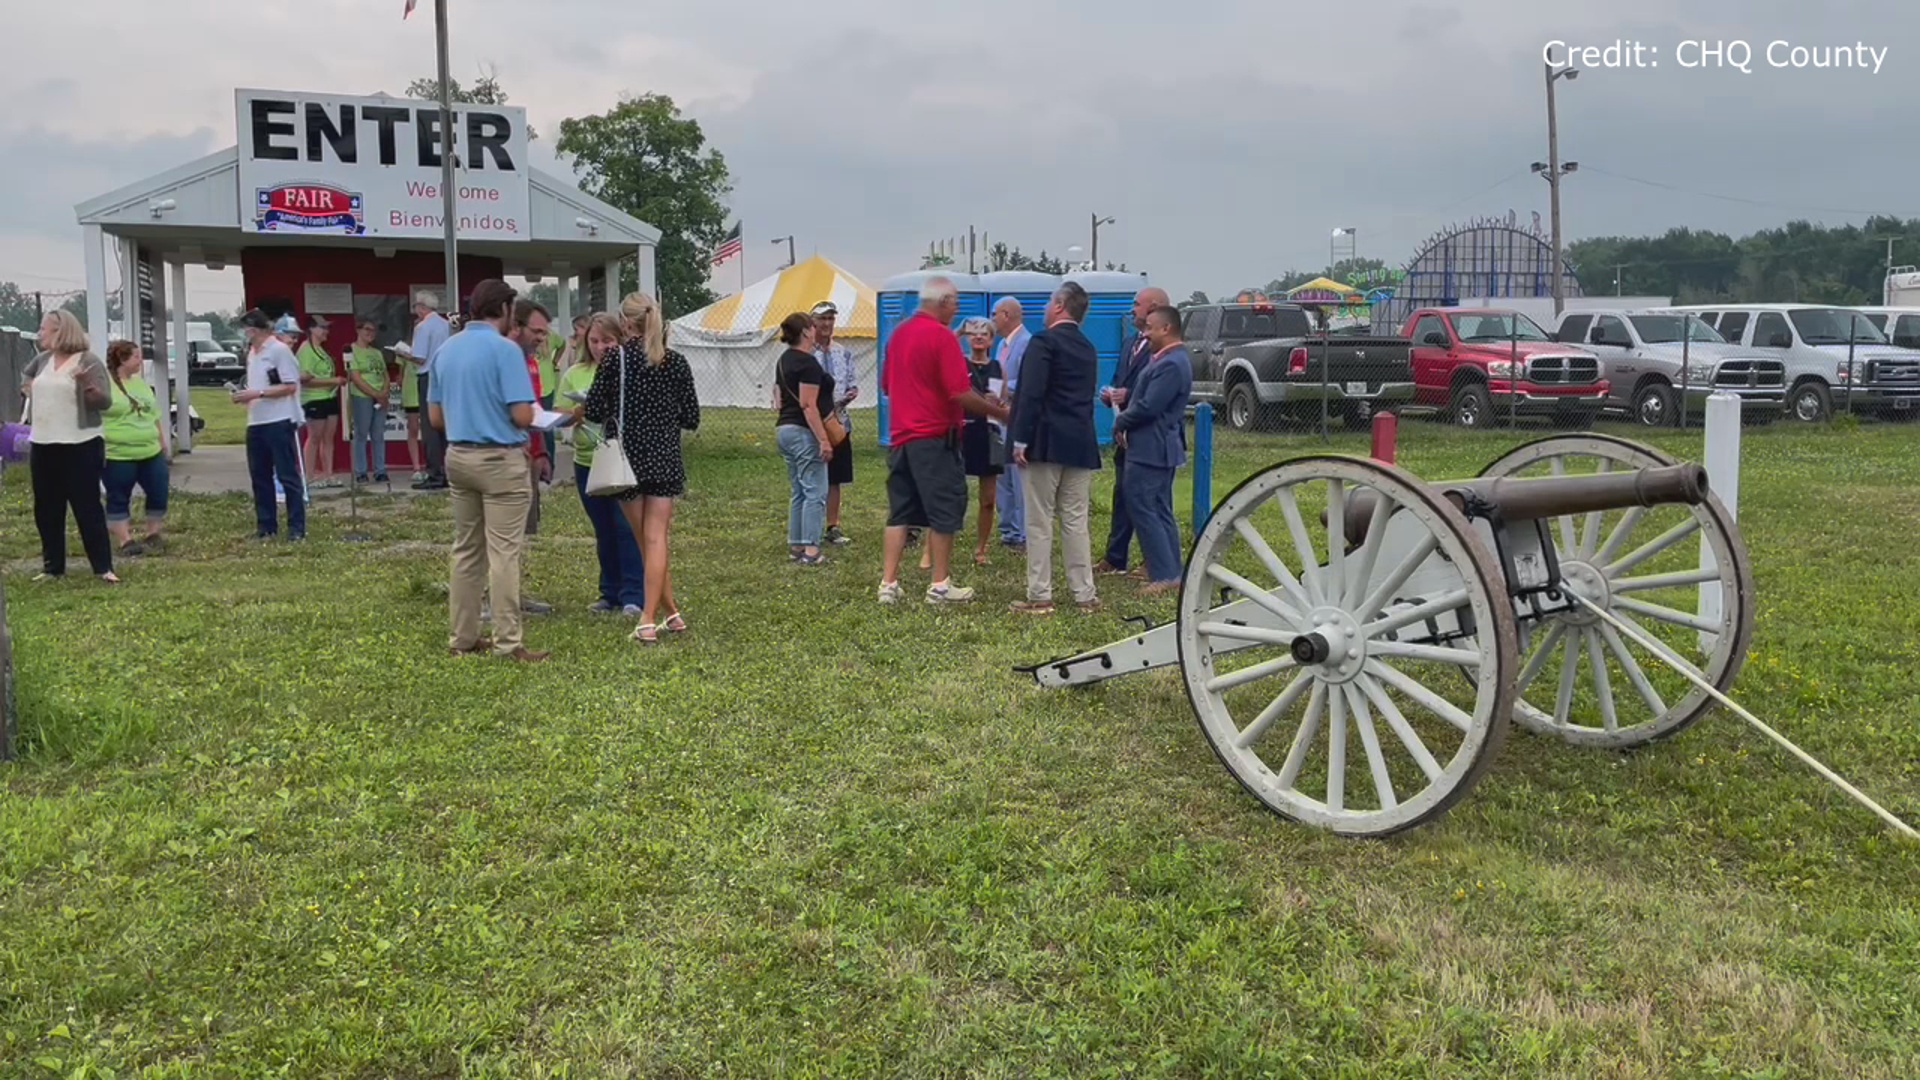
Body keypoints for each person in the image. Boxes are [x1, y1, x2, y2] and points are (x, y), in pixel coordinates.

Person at [429, 279, 547, 663]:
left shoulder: (446, 349)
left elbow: (435, 417)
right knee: (504, 554)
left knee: (466, 551)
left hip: (459, 456)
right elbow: (521, 414)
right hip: (501, 460)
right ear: (505, 309)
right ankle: (508, 642)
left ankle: (462, 638)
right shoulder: (505, 351)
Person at [875, 276, 1009, 605]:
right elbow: (959, 392)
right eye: (956, 305)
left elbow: (887, 386)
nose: (956, 312)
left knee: (900, 512)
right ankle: (939, 586)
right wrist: (1000, 413)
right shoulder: (941, 337)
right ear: (945, 302)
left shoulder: (899, 334)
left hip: (901, 438)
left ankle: (888, 584)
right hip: (935, 438)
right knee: (943, 511)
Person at [582, 290, 701, 644]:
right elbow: (691, 417)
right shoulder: (675, 362)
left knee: (644, 539)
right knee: (656, 539)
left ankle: (648, 619)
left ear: (624, 322)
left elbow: (592, 410)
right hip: (665, 456)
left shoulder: (615, 359)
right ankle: (671, 613)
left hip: (627, 460)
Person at [1007, 282, 1103, 615]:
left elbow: (1031, 393)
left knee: (1039, 520)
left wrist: (1020, 438)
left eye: (1050, 301)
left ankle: (1040, 594)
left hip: (1045, 440)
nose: (1047, 307)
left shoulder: (1043, 342)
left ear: (1060, 305)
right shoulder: (1088, 347)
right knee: (1076, 520)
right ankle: (1084, 593)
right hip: (1080, 441)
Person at [19, 310, 116, 582]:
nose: (40, 334)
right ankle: (52, 567)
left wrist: (87, 385)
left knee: (87, 506)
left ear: (62, 331)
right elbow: (26, 379)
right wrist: (28, 388)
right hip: (44, 443)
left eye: (44, 329)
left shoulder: (88, 361)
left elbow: (104, 402)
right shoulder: (42, 360)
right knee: (47, 508)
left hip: (80, 443)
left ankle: (103, 567)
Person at [562, 313, 646, 616]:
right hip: (587, 459)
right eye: (594, 341)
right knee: (604, 529)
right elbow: (561, 410)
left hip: (622, 458)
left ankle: (633, 594)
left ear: (620, 340)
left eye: (607, 341)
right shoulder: (575, 373)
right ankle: (608, 592)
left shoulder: (629, 370)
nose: (600, 347)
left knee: (626, 527)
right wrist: (577, 411)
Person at [1111, 304, 1193, 593]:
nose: (1145, 334)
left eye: (1149, 328)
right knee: (1158, 508)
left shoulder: (1171, 363)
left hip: (1151, 447)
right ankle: (1172, 572)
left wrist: (1121, 420)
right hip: (1156, 446)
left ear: (1166, 329)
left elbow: (1150, 406)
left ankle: (1163, 574)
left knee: (1144, 507)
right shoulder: (1168, 360)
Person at [1094, 286, 1170, 579]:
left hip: (1151, 436)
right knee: (1123, 494)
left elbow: (1156, 391)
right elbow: (1118, 379)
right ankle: (1116, 557)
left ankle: (1156, 561)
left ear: (1154, 309)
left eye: (1137, 304)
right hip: (1126, 434)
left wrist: (1129, 394)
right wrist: (1111, 394)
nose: (1132, 309)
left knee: (1151, 500)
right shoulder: (1129, 343)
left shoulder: (1163, 350)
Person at [233, 308, 307, 541]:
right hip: (256, 420)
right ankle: (266, 526)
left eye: (247, 329)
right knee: (260, 476)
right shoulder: (253, 353)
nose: (245, 333)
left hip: (279, 419)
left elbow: (289, 386)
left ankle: (296, 527)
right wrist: (245, 395)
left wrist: (259, 393)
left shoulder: (279, 350)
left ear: (255, 330)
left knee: (287, 475)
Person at [504, 298, 555, 617]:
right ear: (516, 326)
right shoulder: (504, 359)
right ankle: (492, 599)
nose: (540, 338)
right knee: (501, 533)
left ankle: (514, 594)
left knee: (521, 531)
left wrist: (543, 450)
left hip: (531, 454)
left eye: (544, 333)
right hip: (507, 456)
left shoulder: (532, 360)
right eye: (536, 331)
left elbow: (533, 406)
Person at [773, 311, 835, 566]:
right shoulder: (808, 364)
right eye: (813, 325)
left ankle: (797, 543)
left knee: (798, 489)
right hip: (802, 431)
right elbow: (808, 405)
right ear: (807, 332)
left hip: (784, 429)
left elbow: (778, 396)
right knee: (815, 491)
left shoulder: (783, 360)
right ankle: (811, 549)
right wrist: (823, 439)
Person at [100, 339, 170, 556]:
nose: (141, 361)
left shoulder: (141, 384)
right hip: (118, 453)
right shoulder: (105, 385)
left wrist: (161, 440)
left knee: (158, 490)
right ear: (122, 359)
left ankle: (153, 533)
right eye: (136, 357)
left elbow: (154, 414)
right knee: (119, 494)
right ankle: (125, 539)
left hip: (150, 450)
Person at [956, 316, 1006, 565]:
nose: (978, 337)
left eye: (983, 333)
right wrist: (959, 330)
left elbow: (1004, 400)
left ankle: (981, 549)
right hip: (962, 432)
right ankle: (937, 547)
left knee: (988, 499)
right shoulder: (958, 363)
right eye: (973, 333)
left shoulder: (997, 367)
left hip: (988, 434)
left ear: (990, 339)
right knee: (952, 493)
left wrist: (1000, 403)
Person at [812, 300, 859, 546]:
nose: (827, 323)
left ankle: (833, 525)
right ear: (813, 323)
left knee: (835, 477)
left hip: (839, 421)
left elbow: (852, 382)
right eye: (823, 319)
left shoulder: (844, 352)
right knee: (813, 474)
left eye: (831, 318)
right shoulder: (807, 353)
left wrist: (850, 394)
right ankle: (810, 525)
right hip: (814, 422)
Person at [991, 297, 1031, 550]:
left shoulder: (1027, 343)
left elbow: (1028, 382)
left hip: (1015, 416)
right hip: (998, 416)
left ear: (1007, 315)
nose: (993, 319)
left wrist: (1002, 390)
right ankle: (1008, 530)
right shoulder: (1001, 345)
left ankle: (1022, 533)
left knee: (1018, 478)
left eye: (995, 314)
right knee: (1001, 475)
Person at [296, 317, 347, 489]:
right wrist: (334, 381)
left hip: (329, 397)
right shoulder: (306, 350)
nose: (326, 331)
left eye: (327, 328)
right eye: (322, 327)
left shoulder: (322, 350)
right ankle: (309, 476)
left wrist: (333, 383)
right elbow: (305, 380)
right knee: (315, 437)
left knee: (328, 438)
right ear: (311, 329)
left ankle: (328, 474)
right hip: (313, 398)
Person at [410, 291, 453, 490]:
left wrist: (403, 354)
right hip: (445, 375)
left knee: (429, 426)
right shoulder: (446, 325)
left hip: (427, 376)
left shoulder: (422, 327)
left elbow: (419, 357)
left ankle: (434, 473)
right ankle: (447, 470)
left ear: (421, 307)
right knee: (444, 425)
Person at [345, 318, 391, 483]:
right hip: (362, 397)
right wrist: (375, 394)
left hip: (380, 396)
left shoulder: (377, 352)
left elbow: (385, 374)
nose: (370, 333)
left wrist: (384, 392)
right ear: (358, 330)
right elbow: (355, 377)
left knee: (378, 434)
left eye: (373, 331)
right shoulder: (352, 350)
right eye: (367, 329)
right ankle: (361, 471)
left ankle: (380, 470)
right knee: (361, 434)